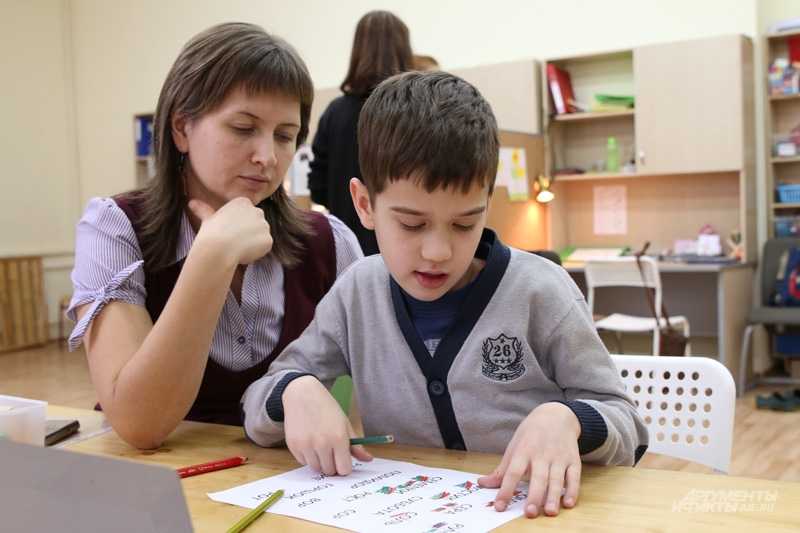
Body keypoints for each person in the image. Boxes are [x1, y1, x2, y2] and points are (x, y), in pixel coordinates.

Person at [241, 71, 649, 519]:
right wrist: (294, 391)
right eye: (412, 224)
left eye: (464, 224)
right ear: (364, 205)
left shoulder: (541, 290)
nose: (437, 252)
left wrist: (570, 420)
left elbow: (628, 426)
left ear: (486, 204)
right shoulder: (358, 291)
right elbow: (259, 399)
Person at [66, 22, 362, 450]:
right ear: (181, 128)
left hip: (293, 492)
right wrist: (212, 256)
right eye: (243, 128)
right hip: (158, 489)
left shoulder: (330, 241)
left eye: (285, 136)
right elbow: (139, 424)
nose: (267, 157)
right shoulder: (115, 227)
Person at [307, 10, 414, 255]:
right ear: (403, 50)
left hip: (344, 250)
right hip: (402, 251)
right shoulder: (414, 113)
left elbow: (317, 186)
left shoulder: (334, 112)